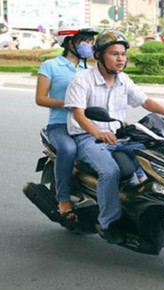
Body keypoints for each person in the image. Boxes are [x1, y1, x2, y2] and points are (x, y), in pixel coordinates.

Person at [64, 30, 164, 244]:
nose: (120, 59)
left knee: (152, 160)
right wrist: (98, 132)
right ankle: (108, 223)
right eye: (114, 54)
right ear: (99, 55)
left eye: (123, 54)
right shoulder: (82, 80)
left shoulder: (124, 80)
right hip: (87, 137)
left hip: (119, 135)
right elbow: (78, 113)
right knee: (110, 171)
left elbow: (145, 101)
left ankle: (138, 207)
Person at [35, 26, 98, 220]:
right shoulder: (51, 66)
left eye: (91, 41)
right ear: (70, 43)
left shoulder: (91, 69)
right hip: (60, 125)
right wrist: (69, 104)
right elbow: (41, 98)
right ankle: (63, 199)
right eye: (84, 41)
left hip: (86, 124)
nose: (88, 45)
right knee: (68, 150)